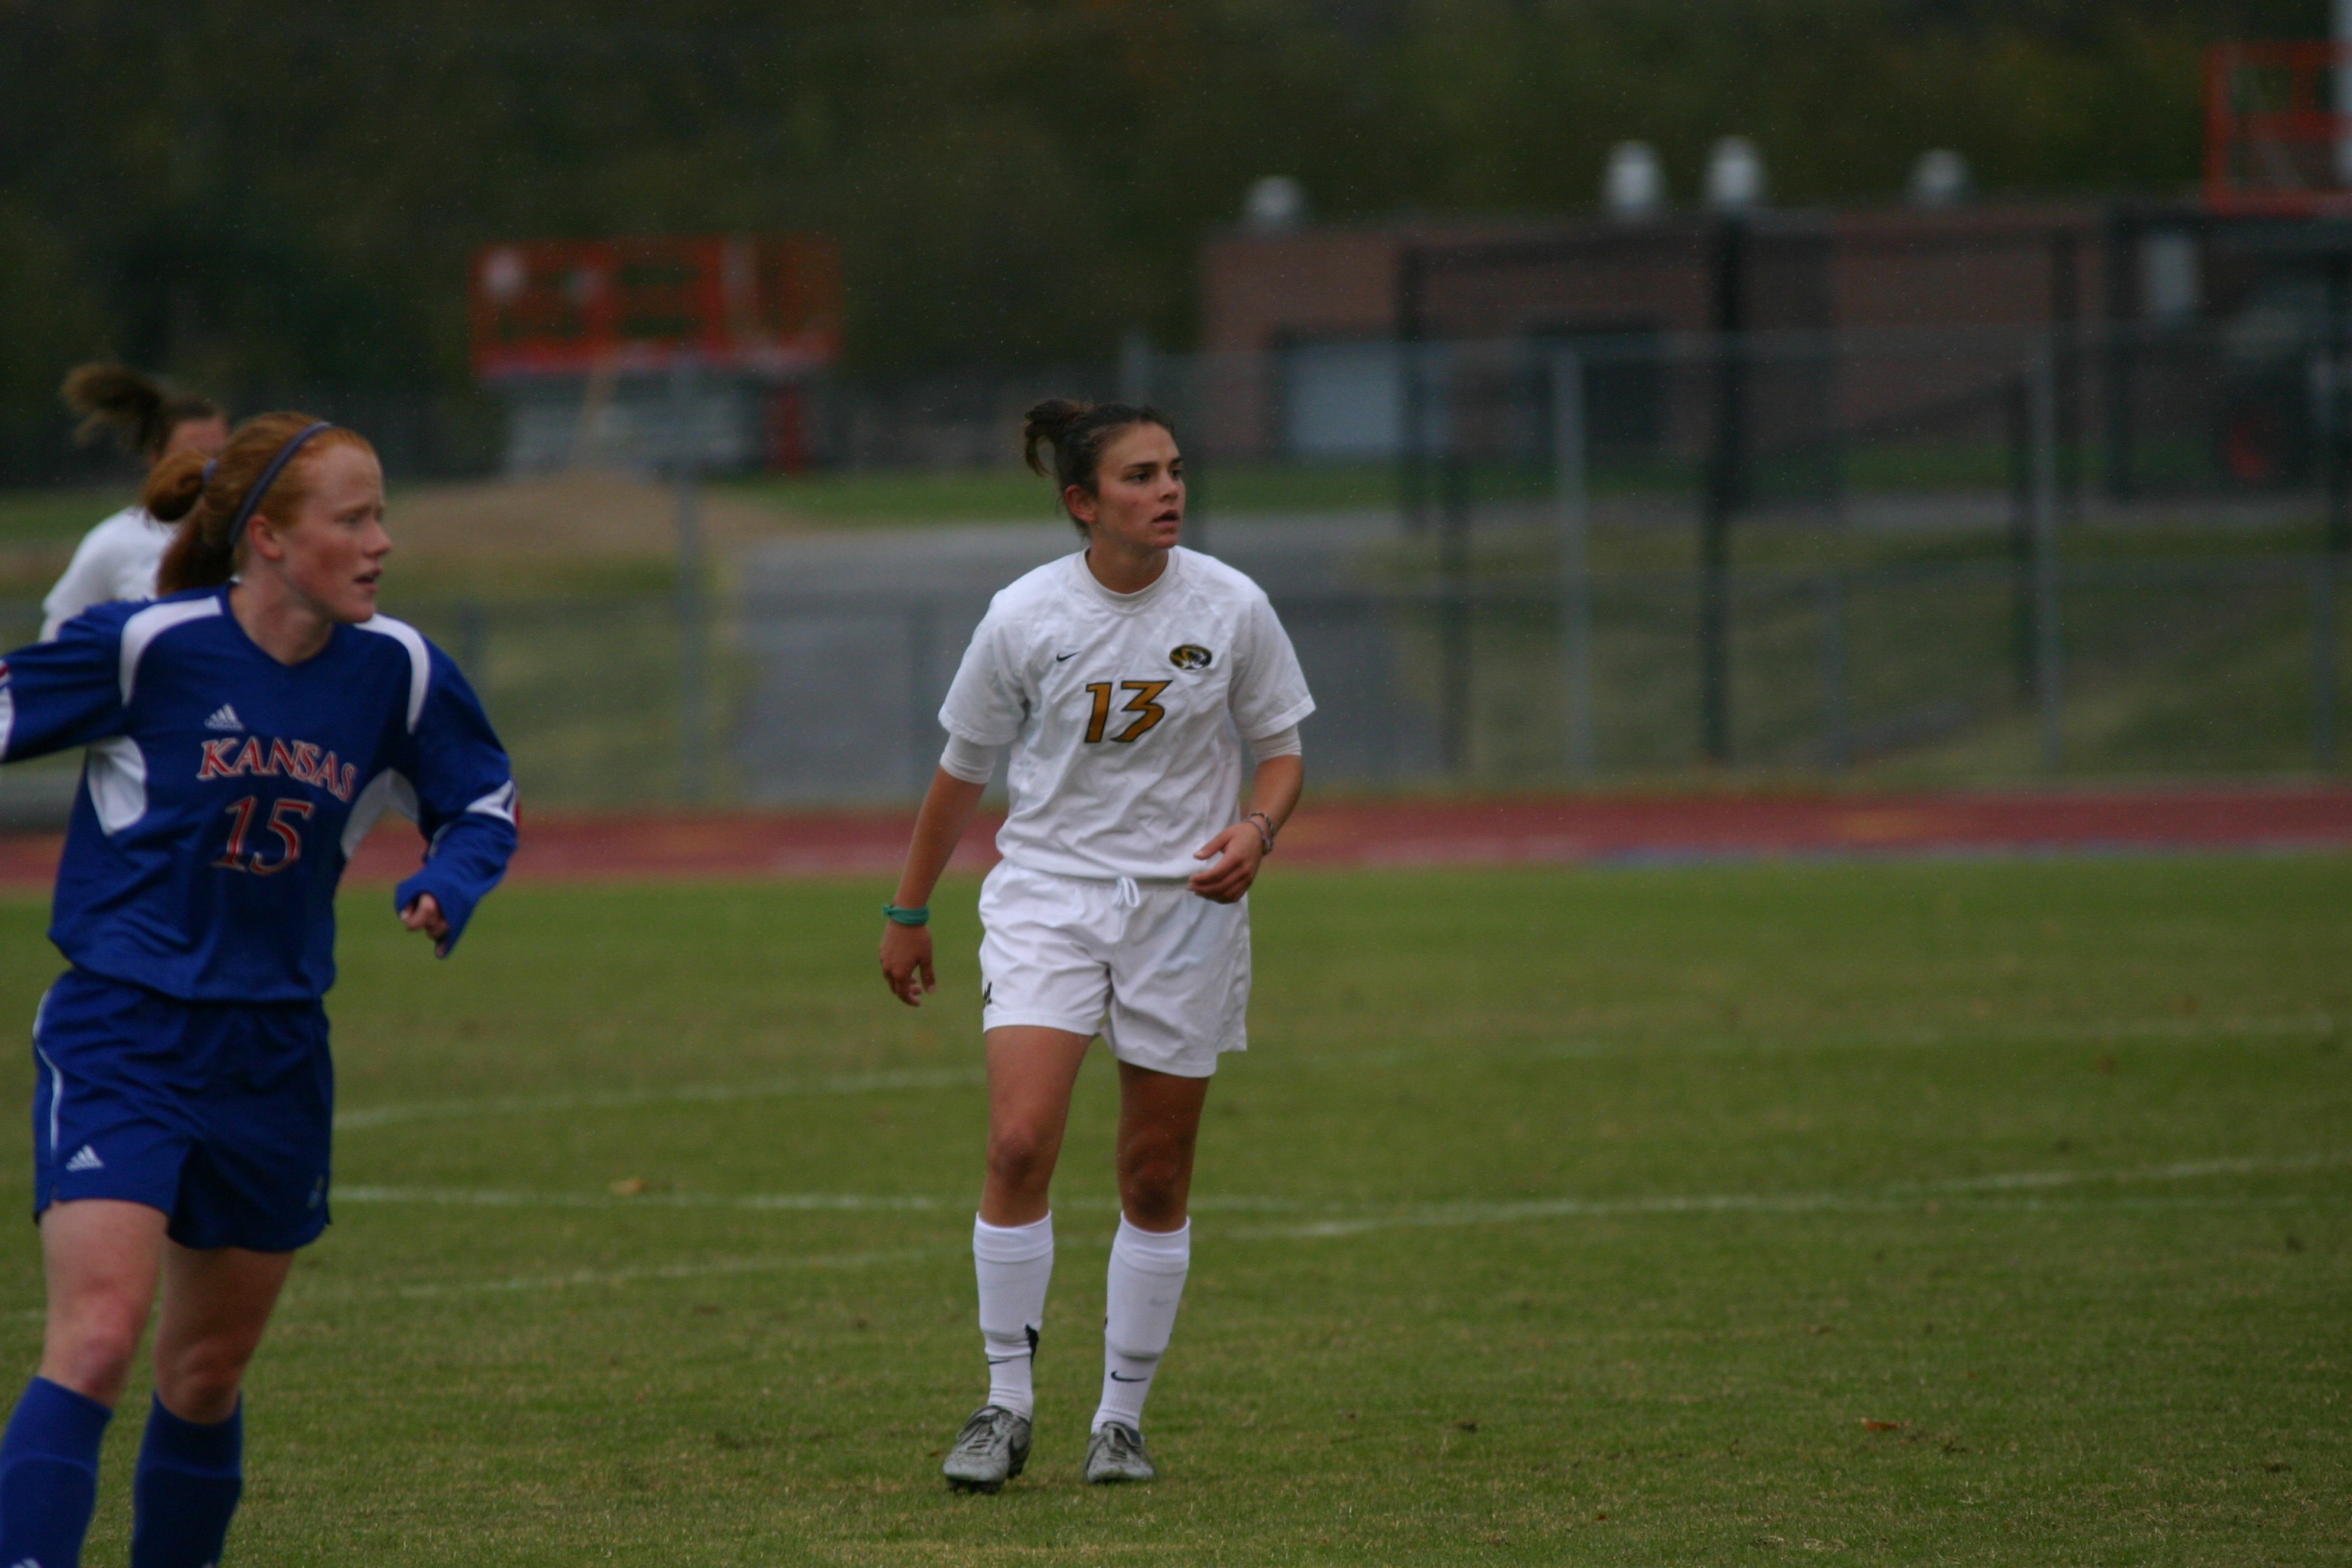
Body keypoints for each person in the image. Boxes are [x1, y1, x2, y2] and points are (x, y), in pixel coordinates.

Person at [0, 412, 518, 1566]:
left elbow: (483, 799)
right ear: (270, 538)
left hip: (272, 1052)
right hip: (122, 1029)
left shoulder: (398, 670)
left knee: (205, 1372)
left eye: (382, 515)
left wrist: (451, 880)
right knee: (96, 1341)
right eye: (354, 519)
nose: (381, 542)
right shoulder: (148, 647)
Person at [879, 399, 1313, 1491]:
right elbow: (962, 771)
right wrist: (909, 909)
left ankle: (1120, 1419)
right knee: (1019, 1142)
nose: (1169, 491)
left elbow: (1280, 752)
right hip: (1050, 899)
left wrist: (1258, 831)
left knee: (1154, 1175)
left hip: (1186, 909)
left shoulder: (1233, 605)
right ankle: (1004, 1403)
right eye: (1139, 476)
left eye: (1174, 470)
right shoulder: (1025, 616)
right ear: (1082, 502)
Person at [43, 364, 232, 641]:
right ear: (156, 459)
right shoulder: (114, 542)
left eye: (220, 455)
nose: (208, 469)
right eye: (193, 456)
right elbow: (59, 638)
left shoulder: (250, 537)